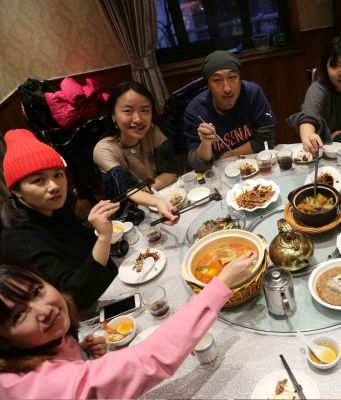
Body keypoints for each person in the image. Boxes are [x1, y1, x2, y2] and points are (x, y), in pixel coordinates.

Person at [0, 251, 257, 398]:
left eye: (36, 291)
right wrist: (221, 284)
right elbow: (148, 359)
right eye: (18, 315)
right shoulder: (36, 386)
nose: (44, 310)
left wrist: (81, 354)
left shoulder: (39, 344)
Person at [0, 129, 119, 310]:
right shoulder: (18, 240)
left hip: (99, 294)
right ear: (17, 191)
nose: (54, 186)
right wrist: (103, 237)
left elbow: (87, 249)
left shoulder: (54, 209)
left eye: (58, 174)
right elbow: (71, 296)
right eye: (39, 180)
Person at [93, 81, 181, 223]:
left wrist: (149, 194)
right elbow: (128, 190)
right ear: (113, 115)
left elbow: (170, 172)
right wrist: (157, 201)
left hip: (158, 201)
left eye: (144, 110)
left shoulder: (152, 131)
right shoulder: (104, 149)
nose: (138, 119)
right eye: (128, 111)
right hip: (129, 216)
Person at [183, 50, 276, 171]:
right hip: (220, 173)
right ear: (208, 85)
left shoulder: (252, 93)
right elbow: (198, 165)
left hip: (257, 164)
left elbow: (266, 140)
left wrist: (226, 156)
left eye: (232, 77)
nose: (227, 88)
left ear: (240, 79)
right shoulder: (195, 111)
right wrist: (205, 143)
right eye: (217, 80)